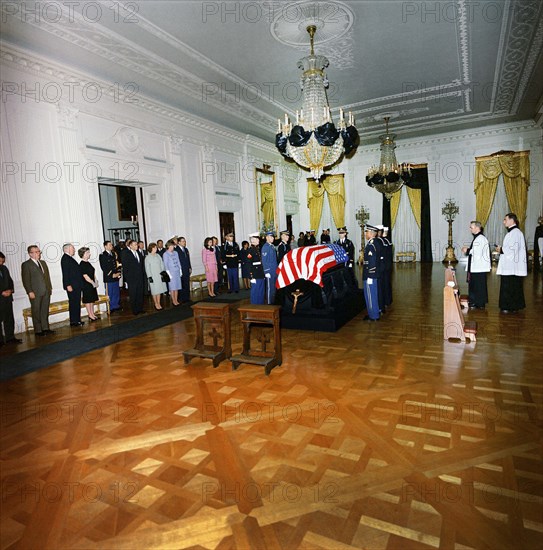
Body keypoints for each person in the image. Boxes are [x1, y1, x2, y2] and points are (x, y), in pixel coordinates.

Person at [496, 212, 527, 313]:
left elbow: (512, 249)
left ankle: (509, 306)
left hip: (512, 266)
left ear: (511, 220)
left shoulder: (515, 233)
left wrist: (501, 249)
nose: (504, 221)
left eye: (505, 219)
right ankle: (513, 307)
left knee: (510, 286)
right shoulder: (513, 233)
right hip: (511, 266)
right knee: (513, 286)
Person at [21, 245, 53, 336]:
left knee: (44, 310)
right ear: (30, 254)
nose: (39, 253)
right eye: (36, 252)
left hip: (46, 291)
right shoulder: (26, 265)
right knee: (36, 311)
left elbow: (47, 277)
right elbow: (25, 280)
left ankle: (45, 328)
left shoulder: (43, 263)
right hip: (35, 292)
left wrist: (49, 288)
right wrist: (29, 291)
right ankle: (38, 330)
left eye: (39, 251)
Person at [461, 221, 491, 309]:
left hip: (479, 267)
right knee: (475, 284)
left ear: (477, 228)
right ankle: (475, 301)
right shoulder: (478, 238)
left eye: (471, 227)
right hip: (477, 267)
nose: (470, 229)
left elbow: (476, 252)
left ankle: (479, 302)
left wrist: (467, 250)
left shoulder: (480, 238)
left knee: (478, 285)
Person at [0, 251, 21, 345]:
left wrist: (10, 290)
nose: (2, 263)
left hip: (7, 299)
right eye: (0, 261)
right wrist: (1, 292)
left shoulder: (4, 268)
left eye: (2, 261)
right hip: (0, 298)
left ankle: (10, 338)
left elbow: (10, 280)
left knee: (9, 318)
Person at [61, 243, 84, 327]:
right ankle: (74, 321)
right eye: (73, 248)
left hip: (76, 285)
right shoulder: (65, 258)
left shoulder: (69, 258)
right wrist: (68, 285)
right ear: (68, 249)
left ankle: (77, 320)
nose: (74, 250)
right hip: (72, 286)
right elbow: (65, 273)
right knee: (74, 303)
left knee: (76, 303)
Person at [121, 239, 145, 315]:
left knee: (140, 293)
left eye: (137, 244)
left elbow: (141, 265)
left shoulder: (139, 253)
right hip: (132, 278)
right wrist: (127, 278)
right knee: (133, 293)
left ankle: (140, 308)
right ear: (130, 246)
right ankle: (134, 310)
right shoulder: (126, 253)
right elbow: (125, 267)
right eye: (134, 245)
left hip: (140, 277)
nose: (136, 246)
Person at [362, 225, 381, 321]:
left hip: (370, 274)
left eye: (367, 232)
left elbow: (372, 260)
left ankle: (373, 316)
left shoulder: (371, 245)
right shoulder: (376, 243)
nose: (365, 234)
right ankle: (375, 312)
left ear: (370, 233)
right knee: (373, 294)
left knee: (370, 295)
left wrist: (370, 275)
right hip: (373, 274)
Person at [99, 240, 122, 312]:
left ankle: (116, 305)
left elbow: (117, 264)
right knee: (110, 292)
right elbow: (104, 267)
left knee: (116, 292)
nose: (111, 246)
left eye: (111, 245)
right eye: (109, 245)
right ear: (105, 246)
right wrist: (112, 275)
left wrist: (118, 273)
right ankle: (110, 307)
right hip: (109, 277)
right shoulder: (102, 255)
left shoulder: (114, 254)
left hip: (116, 276)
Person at [78, 247, 99, 322]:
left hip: (91, 284)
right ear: (83, 254)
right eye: (87, 253)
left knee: (91, 300)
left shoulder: (88, 263)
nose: (89, 254)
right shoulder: (82, 264)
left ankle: (92, 314)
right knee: (88, 300)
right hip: (86, 285)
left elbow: (92, 273)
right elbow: (85, 276)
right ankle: (90, 315)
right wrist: (92, 282)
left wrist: (95, 280)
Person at [145, 243, 168, 310]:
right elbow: (147, 268)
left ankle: (159, 303)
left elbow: (162, 264)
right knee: (154, 291)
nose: (156, 249)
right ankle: (156, 303)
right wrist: (150, 277)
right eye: (155, 247)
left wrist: (163, 273)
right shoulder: (147, 258)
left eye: (156, 247)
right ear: (151, 248)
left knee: (159, 290)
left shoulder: (158, 256)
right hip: (153, 276)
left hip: (159, 275)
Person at [248, 232, 265, 304]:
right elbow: (249, 264)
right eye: (257, 239)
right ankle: (254, 305)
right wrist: (251, 276)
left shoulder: (258, 249)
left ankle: (260, 304)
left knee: (261, 290)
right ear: (253, 240)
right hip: (255, 273)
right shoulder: (251, 250)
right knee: (255, 290)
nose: (258, 240)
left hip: (260, 273)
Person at [163, 239, 182, 306]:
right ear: (168, 246)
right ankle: (173, 301)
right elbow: (165, 265)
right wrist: (168, 274)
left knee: (177, 287)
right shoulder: (165, 254)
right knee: (172, 287)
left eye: (173, 246)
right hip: (171, 272)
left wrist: (180, 270)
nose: (173, 247)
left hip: (176, 271)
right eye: (171, 246)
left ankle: (176, 300)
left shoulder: (176, 253)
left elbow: (178, 261)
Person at [262, 231, 278, 304]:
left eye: (273, 237)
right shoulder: (265, 247)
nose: (273, 238)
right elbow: (264, 260)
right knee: (269, 288)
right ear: (267, 238)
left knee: (273, 288)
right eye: (271, 237)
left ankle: (273, 301)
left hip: (274, 270)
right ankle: (269, 303)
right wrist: (266, 271)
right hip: (269, 271)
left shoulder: (271, 246)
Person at [177, 237, 192, 303]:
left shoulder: (186, 249)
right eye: (183, 241)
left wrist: (190, 267)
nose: (184, 242)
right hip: (180, 269)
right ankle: (182, 298)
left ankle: (187, 298)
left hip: (186, 269)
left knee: (186, 283)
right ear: (179, 242)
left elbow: (188, 259)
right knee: (181, 284)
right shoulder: (176, 250)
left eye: (185, 241)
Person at [382, 227, 393, 308]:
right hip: (388, 265)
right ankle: (389, 299)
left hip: (384, 266)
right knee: (387, 283)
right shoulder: (388, 241)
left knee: (385, 284)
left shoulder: (383, 241)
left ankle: (386, 300)